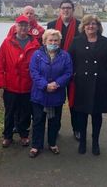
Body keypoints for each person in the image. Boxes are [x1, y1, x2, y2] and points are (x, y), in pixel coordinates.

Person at [69, 14, 107, 155]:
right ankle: (82, 142)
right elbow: (70, 61)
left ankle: (95, 142)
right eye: (88, 24)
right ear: (83, 27)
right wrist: (74, 75)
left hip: (99, 84)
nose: (91, 26)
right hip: (82, 83)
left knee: (96, 115)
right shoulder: (76, 41)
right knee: (82, 115)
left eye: (94, 24)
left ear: (98, 26)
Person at [0, 15, 40, 148]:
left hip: (28, 85)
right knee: (9, 112)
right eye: (20, 25)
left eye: (25, 25)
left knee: (25, 112)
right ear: (15, 27)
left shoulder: (35, 44)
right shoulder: (7, 42)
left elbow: (39, 65)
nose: (23, 28)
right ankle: (7, 135)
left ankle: (24, 134)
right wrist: (1, 81)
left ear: (29, 27)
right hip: (11, 84)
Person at [28, 29, 72, 158]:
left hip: (56, 94)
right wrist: (45, 85)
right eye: (50, 40)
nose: (53, 42)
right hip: (39, 94)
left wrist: (57, 84)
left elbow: (68, 73)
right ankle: (36, 145)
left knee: (54, 121)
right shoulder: (37, 55)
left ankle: (52, 143)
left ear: (59, 42)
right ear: (44, 41)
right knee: (38, 120)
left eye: (56, 40)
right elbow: (34, 72)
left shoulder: (65, 55)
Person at [47, 0, 81, 140]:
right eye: (63, 8)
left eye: (68, 8)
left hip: (74, 69)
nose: (66, 10)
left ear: (72, 10)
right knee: (56, 101)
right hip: (55, 69)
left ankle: (77, 128)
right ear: (59, 10)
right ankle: (55, 128)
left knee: (75, 101)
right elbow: (46, 44)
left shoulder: (79, 26)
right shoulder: (51, 25)